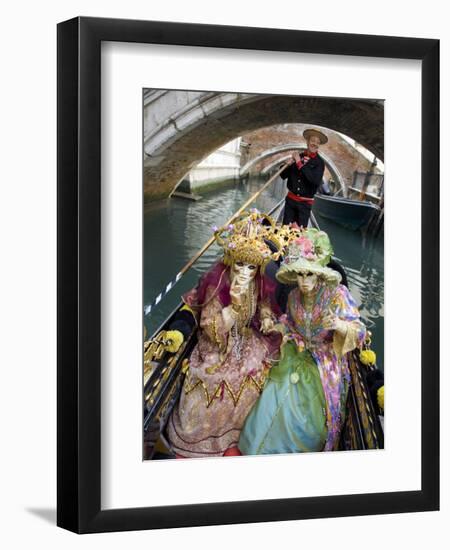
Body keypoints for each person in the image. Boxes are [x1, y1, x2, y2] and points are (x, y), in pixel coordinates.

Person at [238, 228, 366, 454]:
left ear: (319, 274)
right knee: (271, 391)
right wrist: (276, 326)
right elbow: (289, 323)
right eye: (300, 274)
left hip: (324, 363)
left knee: (307, 418)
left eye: (310, 274)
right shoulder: (293, 296)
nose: (304, 281)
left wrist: (339, 325)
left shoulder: (337, 294)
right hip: (294, 351)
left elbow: (360, 331)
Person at [165, 211, 283, 458]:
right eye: (240, 264)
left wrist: (266, 318)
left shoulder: (257, 282)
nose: (245, 273)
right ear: (231, 260)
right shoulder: (216, 282)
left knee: (259, 368)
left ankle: (242, 432)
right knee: (213, 378)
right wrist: (234, 308)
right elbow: (209, 328)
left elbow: (263, 304)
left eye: (251, 267)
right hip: (216, 346)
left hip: (245, 338)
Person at [281, 128, 328, 227]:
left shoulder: (320, 163)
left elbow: (314, 181)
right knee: (284, 232)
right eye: (313, 141)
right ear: (307, 142)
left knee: (299, 237)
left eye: (317, 142)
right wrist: (287, 164)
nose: (314, 144)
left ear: (319, 145)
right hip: (290, 202)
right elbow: (282, 175)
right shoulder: (298, 156)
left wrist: (299, 163)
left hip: (304, 205)